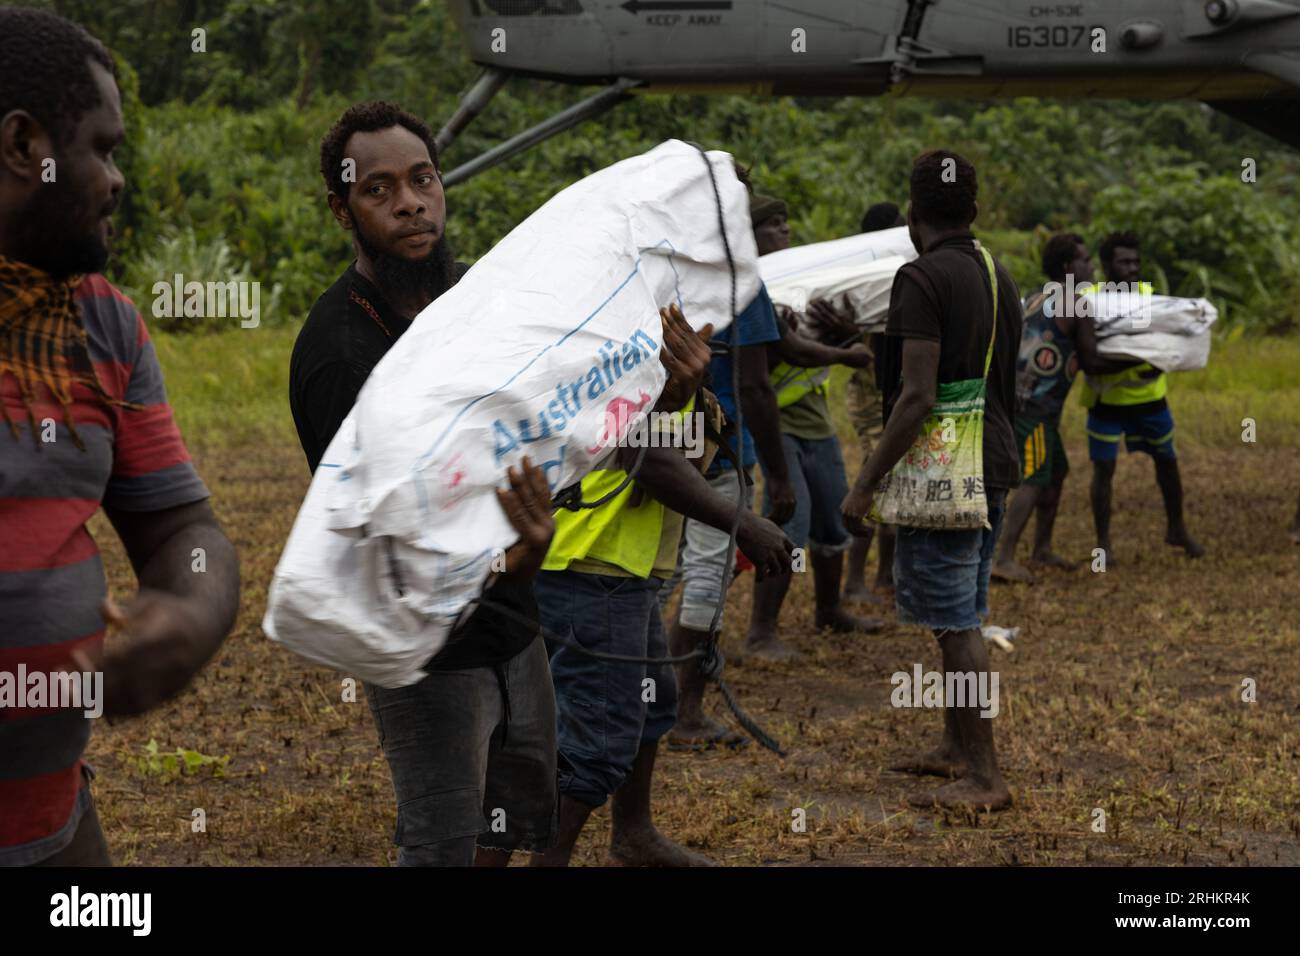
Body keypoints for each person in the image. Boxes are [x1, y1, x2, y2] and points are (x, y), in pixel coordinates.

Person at [289, 101, 558, 866]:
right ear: (341, 209)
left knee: (502, 827)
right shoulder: (341, 353)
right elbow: (384, 542)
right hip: (427, 653)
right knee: (440, 846)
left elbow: (549, 409)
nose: (410, 201)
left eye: (423, 179)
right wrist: (510, 559)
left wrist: (665, 397)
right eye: (379, 190)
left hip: (516, 626)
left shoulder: (477, 302)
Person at [0, 9, 240, 866]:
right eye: (103, 147)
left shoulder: (105, 327)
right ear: (26, 145)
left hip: (53, 823)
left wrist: (188, 611)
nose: (118, 178)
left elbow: (184, 533)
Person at [532, 305, 794, 866]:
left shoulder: (654, 350)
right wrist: (743, 522)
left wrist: (690, 395)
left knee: (653, 706)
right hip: (591, 561)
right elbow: (646, 457)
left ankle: (633, 835)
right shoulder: (616, 340)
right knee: (596, 741)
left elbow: (684, 451)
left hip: (624, 567)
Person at [842, 150, 1021, 811]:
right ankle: (955, 749)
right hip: (997, 458)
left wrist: (863, 485)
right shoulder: (997, 273)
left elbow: (916, 396)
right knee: (965, 613)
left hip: (950, 467)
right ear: (974, 211)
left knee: (954, 623)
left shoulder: (920, 278)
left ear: (912, 215)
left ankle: (985, 777)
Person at [664, 170, 796, 749]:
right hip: (720, 453)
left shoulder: (655, 268)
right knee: (706, 582)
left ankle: (647, 701)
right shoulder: (742, 282)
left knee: (652, 577)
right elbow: (758, 389)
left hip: (655, 451)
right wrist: (781, 475)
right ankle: (684, 714)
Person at [744, 194, 883, 660]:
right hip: (776, 421)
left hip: (815, 418)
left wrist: (842, 333)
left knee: (831, 516)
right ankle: (761, 632)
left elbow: (809, 341)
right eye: (774, 224)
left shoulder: (799, 285)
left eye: (786, 223)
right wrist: (847, 352)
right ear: (750, 233)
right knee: (791, 520)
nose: (785, 232)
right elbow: (788, 350)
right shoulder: (747, 291)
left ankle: (829, 610)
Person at [1080, 231, 1203, 561]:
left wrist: (1161, 364)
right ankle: (1103, 543)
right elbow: (1087, 353)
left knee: (1167, 463)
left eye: (1135, 262)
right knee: (1103, 470)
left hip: (1151, 400)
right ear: (1106, 265)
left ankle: (1176, 528)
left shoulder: (1151, 298)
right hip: (1105, 404)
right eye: (1124, 262)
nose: (1132, 269)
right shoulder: (1089, 299)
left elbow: (1168, 342)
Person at [844, 202, 906, 602]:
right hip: (870, 394)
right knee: (874, 482)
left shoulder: (898, 273)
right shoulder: (864, 278)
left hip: (892, 393)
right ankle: (854, 583)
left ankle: (885, 578)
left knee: (893, 485)